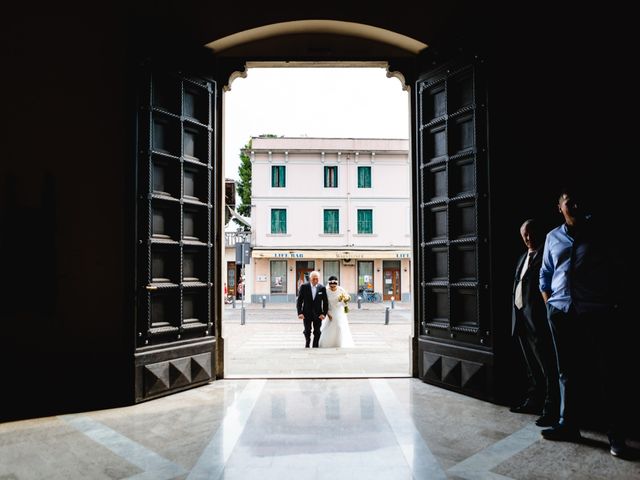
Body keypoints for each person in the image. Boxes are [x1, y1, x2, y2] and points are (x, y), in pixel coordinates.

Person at [539, 186, 628, 457]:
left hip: (595, 312)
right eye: (569, 202)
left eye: (578, 202)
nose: (574, 206)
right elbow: (545, 274)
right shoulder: (552, 237)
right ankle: (569, 425)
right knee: (566, 371)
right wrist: (549, 305)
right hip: (561, 311)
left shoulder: (601, 233)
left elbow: (618, 270)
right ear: (560, 207)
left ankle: (616, 435)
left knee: (607, 373)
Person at [510, 219, 559, 427]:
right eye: (524, 235)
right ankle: (533, 400)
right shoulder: (522, 257)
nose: (528, 238)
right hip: (521, 318)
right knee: (530, 365)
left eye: (531, 233)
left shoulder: (546, 255)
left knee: (547, 365)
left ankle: (551, 408)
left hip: (538, 320)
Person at [319, 276, 355, 348]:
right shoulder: (326, 291)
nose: (332, 287)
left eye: (334, 285)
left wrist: (344, 301)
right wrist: (327, 313)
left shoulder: (341, 290)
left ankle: (339, 343)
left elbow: (346, 299)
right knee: (329, 327)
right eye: (331, 285)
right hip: (330, 311)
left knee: (339, 326)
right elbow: (324, 303)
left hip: (339, 312)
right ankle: (327, 343)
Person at [296, 270, 329, 348]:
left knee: (317, 332)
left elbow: (325, 302)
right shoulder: (304, 287)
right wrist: (299, 313)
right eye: (313, 278)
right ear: (310, 278)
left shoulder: (322, 288)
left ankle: (315, 345)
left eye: (317, 279)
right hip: (306, 313)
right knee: (307, 331)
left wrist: (324, 314)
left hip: (318, 314)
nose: (315, 280)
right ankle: (307, 342)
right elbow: (299, 301)